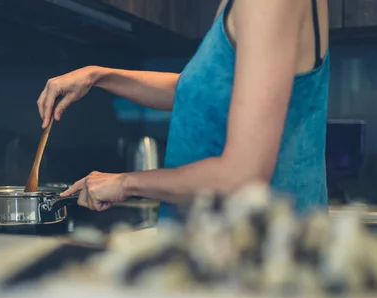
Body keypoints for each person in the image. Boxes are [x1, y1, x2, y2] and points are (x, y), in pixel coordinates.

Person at [37, 0, 330, 217]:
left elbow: (242, 178)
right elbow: (204, 95)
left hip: (257, 263)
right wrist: (98, 76)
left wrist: (125, 182)